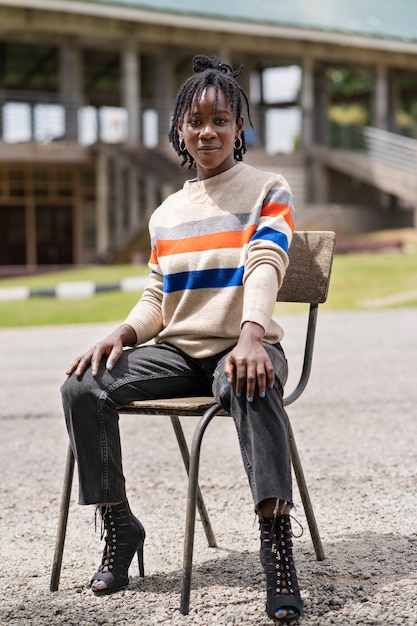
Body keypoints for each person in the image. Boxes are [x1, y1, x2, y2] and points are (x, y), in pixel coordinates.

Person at [62, 54, 303, 624]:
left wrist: (250, 335)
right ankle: (121, 528)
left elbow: (266, 261)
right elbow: (156, 298)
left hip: (244, 345)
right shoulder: (167, 213)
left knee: (253, 377)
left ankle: (277, 549)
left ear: (240, 127)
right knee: (82, 387)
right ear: (179, 129)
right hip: (178, 352)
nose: (208, 130)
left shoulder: (269, 187)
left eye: (222, 119)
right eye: (196, 120)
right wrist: (121, 333)